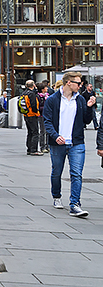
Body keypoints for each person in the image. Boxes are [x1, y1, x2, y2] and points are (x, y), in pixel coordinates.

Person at [43, 71, 95, 216]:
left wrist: (90, 107)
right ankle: (57, 196)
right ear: (68, 83)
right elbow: (47, 121)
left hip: (76, 142)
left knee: (76, 174)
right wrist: (55, 136)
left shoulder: (80, 100)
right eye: (78, 83)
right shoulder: (52, 100)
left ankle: (75, 204)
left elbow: (86, 120)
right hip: (57, 142)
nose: (80, 85)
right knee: (57, 172)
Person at [23, 80, 43, 156]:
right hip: (32, 114)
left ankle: (29, 148)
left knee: (30, 132)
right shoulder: (31, 94)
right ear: (33, 85)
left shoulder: (24, 93)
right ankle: (33, 149)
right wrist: (36, 111)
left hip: (26, 114)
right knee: (35, 132)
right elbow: (34, 105)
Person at [37, 82, 49, 154]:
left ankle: (48, 145)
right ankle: (42, 146)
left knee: (48, 131)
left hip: (48, 115)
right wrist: (45, 108)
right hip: (41, 115)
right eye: (45, 87)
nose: (47, 88)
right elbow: (38, 107)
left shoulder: (48, 96)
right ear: (42, 89)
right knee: (43, 131)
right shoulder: (39, 97)